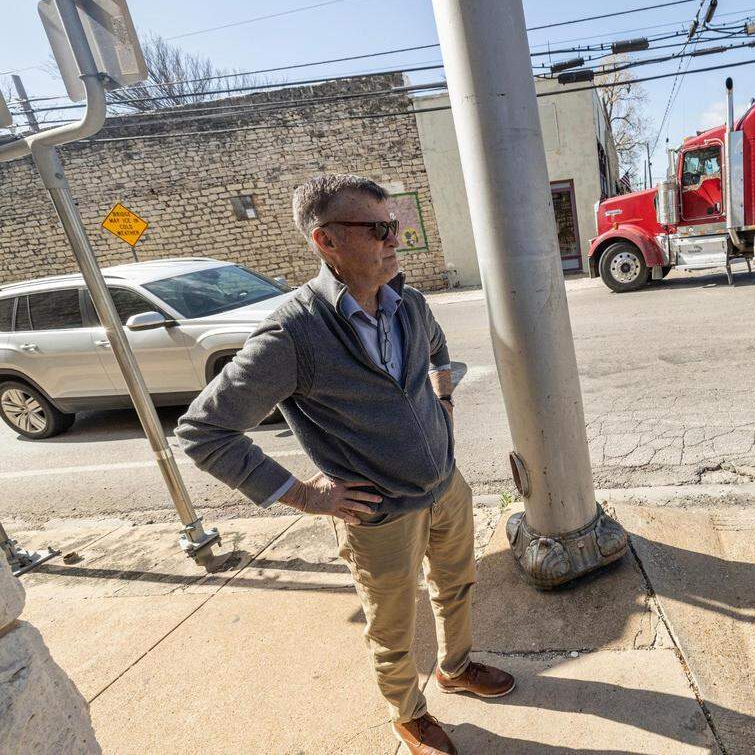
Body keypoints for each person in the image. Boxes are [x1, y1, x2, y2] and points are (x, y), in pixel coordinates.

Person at [176, 174, 513, 755]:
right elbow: (204, 433)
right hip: (378, 517)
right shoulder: (293, 334)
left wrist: (444, 397)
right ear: (324, 241)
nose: (394, 240)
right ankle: (407, 715)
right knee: (393, 628)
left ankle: (456, 667)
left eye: (395, 226)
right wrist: (307, 497)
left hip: (445, 488)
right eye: (377, 229)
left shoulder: (407, 302)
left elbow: (437, 349)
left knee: (457, 586)